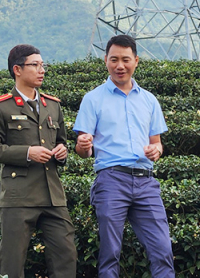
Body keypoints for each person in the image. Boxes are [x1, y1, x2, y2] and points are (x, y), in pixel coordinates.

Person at [74, 34, 175, 278]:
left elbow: (157, 145)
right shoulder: (93, 99)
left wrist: (156, 151)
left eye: (126, 60)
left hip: (146, 182)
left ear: (136, 61)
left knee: (162, 249)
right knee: (110, 252)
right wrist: (83, 144)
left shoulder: (149, 100)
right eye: (114, 60)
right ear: (105, 61)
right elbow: (84, 152)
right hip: (111, 180)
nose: (120, 65)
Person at [0, 44, 77, 278]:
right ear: (17, 69)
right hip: (18, 195)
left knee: (66, 256)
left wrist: (63, 151)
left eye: (43, 65)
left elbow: (62, 141)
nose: (41, 70)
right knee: (13, 262)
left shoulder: (52, 105)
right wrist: (27, 153)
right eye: (35, 65)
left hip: (52, 194)